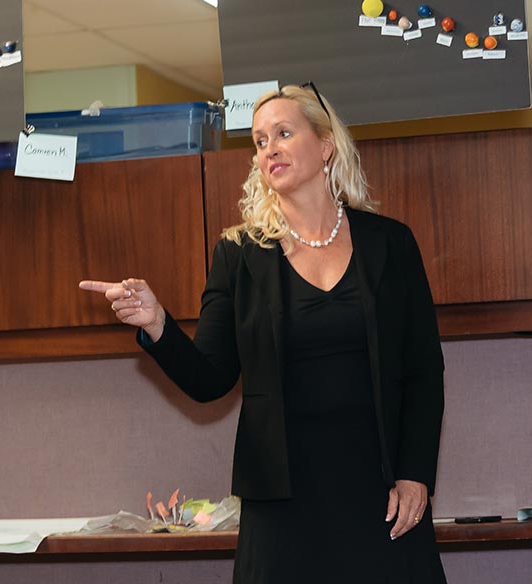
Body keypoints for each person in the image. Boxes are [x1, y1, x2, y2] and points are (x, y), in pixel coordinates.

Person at [81, 84, 446, 582]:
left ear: (325, 145)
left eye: (283, 133)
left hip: (380, 496)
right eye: (258, 140)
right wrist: (157, 324)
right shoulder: (239, 255)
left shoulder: (391, 244)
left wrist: (416, 473)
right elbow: (210, 379)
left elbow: (424, 372)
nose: (269, 147)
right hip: (282, 506)